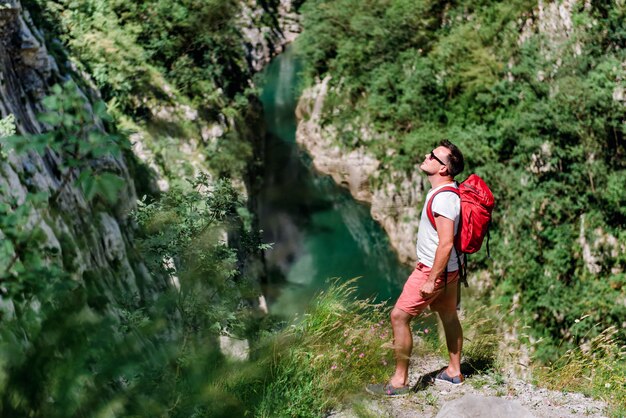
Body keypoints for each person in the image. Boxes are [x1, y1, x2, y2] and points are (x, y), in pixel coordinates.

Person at [367, 139, 465, 396]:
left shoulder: (443, 199)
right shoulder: (447, 192)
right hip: (451, 270)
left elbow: (445, 244)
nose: (427, 156)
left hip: (434, 270)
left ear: (444, 169)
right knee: (448, 314)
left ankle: (399, 382)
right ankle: (454, 371)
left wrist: (431, 279)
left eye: (433, 156)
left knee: (398, 317)